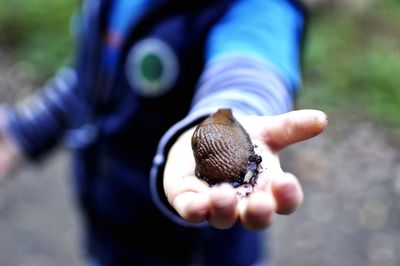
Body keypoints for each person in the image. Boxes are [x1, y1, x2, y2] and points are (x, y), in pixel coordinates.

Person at [0, 0, 327, 265]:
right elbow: (90, 83)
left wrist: (234, 110)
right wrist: (22, 134)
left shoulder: (259, 9)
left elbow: (247, 72)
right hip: (112, 231)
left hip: (201, 251)